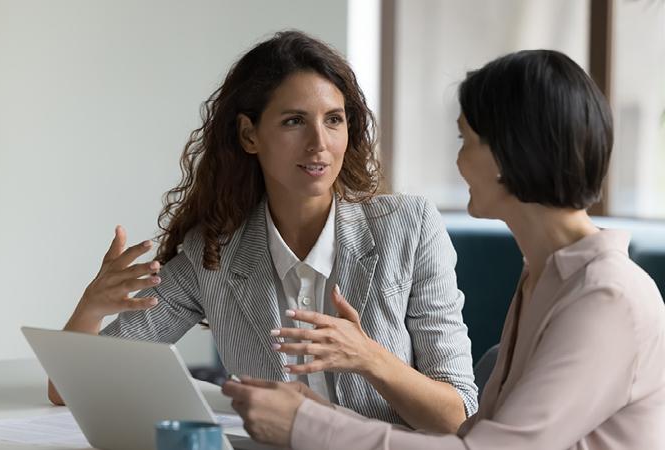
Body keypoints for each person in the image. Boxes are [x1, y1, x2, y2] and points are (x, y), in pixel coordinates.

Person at [222, 49, 665, 449]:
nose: (458, 162)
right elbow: (473, 435)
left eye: (465, 141)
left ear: (509, 154)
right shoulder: (544, 277)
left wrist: (306, 425)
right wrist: (320, 414)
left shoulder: (606, 297)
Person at [48, 30, 478, 432]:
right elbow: (70, 389)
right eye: (294, 121)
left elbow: (459, 416)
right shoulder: (212, 254)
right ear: (249, 135)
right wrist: (91, 307)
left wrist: (369, 359)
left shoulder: (409, 227)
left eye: (333, 120)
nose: (319, 143)